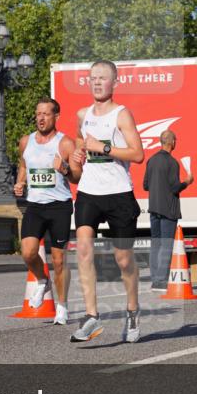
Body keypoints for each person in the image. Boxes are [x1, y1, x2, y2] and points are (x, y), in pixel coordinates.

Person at [69, 60, 145, 343]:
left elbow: (138, 154)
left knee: (123, 259)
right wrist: (77, 155)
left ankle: (133, 310)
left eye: (103, 78)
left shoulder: (122, 115)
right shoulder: (82, 114)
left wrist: (103, 147)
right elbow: (80, 141)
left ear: (115, 83)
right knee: (84, 251)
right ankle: (92, 316)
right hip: (89, 192)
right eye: (93, 78)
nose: (97, 82)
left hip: (118, 193)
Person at [14, 97, 80, 325]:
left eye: (46, 114)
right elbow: (23, 165)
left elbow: (77, 176)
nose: (41, 118)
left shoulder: (66, 144)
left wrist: (62, 168)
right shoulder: (26, 141)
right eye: (38, 114)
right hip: (35, 205)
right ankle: (43, 280)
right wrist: (20, 182)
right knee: (28, 253)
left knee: (59, 260)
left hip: (59, 206)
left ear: (56, 117)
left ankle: (62, 306)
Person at [143, 130, 193, 292]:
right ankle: (161, 281)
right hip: (168, 209)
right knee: (166, 244)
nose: (176, 142)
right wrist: (187, 182)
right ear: (171, 142)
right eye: (175, 139)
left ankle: (155, 279)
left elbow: (145, 185)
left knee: (156, 244)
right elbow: (174, 187)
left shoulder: (151, 161)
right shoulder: (172, 163)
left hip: (154, 208)